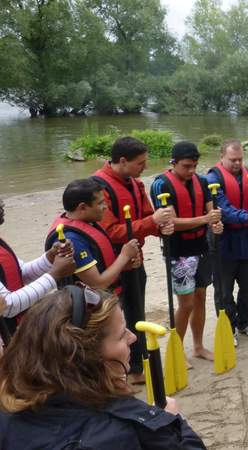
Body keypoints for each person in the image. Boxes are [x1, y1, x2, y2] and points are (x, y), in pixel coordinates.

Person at [0, 288, 206, 449]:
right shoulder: (119, 435)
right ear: (86, 358)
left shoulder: (10, 410)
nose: (132, 337)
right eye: (120, 335)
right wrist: (171, 423)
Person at [92, 136, 175, 384]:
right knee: (110, 318)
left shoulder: (135, 184)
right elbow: (108, 232)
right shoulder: (99, 187)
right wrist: (152, 223)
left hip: (135, 261)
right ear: (123, 161)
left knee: (137, 311)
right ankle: (112, 371)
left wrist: (162, 227)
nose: (144, 168)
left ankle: (138, 367)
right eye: (140, 163)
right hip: (110, 263)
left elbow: (149, 218)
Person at [150, 142, 223, 361]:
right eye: (186, 166)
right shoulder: (161, 185)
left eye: (194, 166)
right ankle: (176, 351)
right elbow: (170, 220)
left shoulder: (201, 181)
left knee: (201, 297)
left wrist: (215, 224)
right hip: (178, 252)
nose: (191, 171)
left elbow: (212, 213)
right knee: (186, 303)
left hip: (201, 248)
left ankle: (198, 347)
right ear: (173, 163)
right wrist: (205, 220)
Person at [207, 139, 248, 340]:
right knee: (224, 289)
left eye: (240, 159)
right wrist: (246, 216)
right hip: (223, 239)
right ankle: (229, 325)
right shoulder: (212, 179)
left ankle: (245, 321)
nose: (237, 164)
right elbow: (222, 208)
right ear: (222, 157)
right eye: (232, 160)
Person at [45, 179, 141, 293]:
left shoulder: (87, 223)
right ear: (83, 207)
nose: (105, 207)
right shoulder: (72, 240)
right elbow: (97, 284)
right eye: (100, 203)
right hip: (89, 307)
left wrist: (124, 264)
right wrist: (124, 256)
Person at [0, 198, 74, 338]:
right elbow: (7, 306)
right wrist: (54, 275)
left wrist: (49, 258)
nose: (3, 205)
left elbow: (21, 272)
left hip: (17, 328)